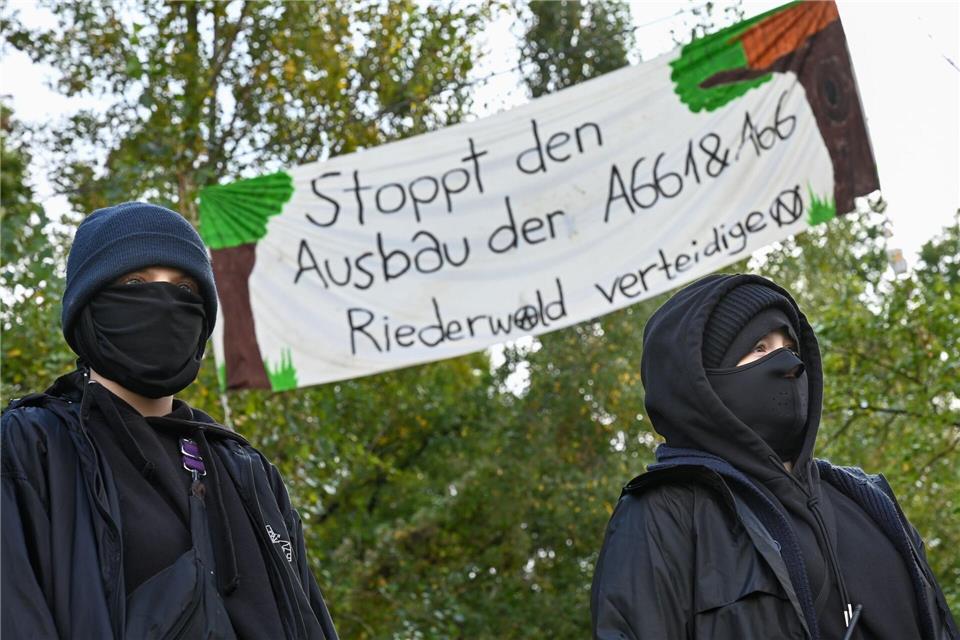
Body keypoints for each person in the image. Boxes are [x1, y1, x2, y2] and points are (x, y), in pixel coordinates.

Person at [2, 202, 338, 639]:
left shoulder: (249, 472)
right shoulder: (30, 449)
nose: (164, 302)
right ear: (88, 304)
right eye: (135, 282)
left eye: (184, 288)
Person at [591, 273, 958, 640]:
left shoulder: (869, 498)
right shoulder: (664, 515)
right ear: (703, 380)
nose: (788, 364)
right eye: (760, 347)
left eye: (791, 348)